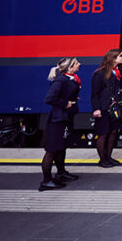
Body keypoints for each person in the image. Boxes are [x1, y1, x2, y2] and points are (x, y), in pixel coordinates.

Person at [40, 57, 81, 191]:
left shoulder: (69, 79)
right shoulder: (60, 80)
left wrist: (72, 98)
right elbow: (50, 98)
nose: (79, 64)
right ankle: (46, 181)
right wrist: (66, 103)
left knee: (61, 148)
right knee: (51, 151)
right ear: (69, 68)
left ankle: (61, 173)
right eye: (76, 63)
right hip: (57, 120)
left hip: (65, 118)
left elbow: (64, 93)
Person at [91, 49, 122, 168]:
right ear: (112, 58)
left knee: (113, 133)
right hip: (104, 108)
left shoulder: (120, 72)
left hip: (117, 109)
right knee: (103, 134)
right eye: (120, 56)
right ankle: (102, 159)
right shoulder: (100, 74)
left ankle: (108, 157)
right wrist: (96, 109)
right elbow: (95, 94)